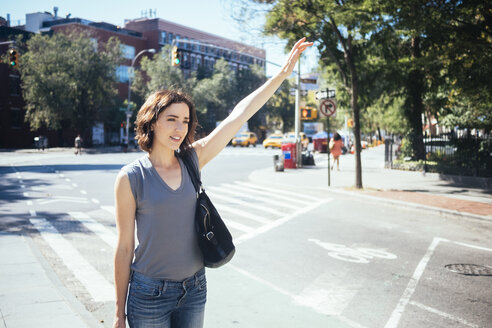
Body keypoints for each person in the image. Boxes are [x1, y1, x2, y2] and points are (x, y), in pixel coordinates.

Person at [112, 38, 313, 328]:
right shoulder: (131, 178)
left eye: (184, 120)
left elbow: (239, 115)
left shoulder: (193, 159)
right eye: (171, 119)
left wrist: (281, 75)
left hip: (194, 289)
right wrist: (119, 314)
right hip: (149, 294)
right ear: (152, 122)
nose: (180, 128)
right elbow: (123, 248)